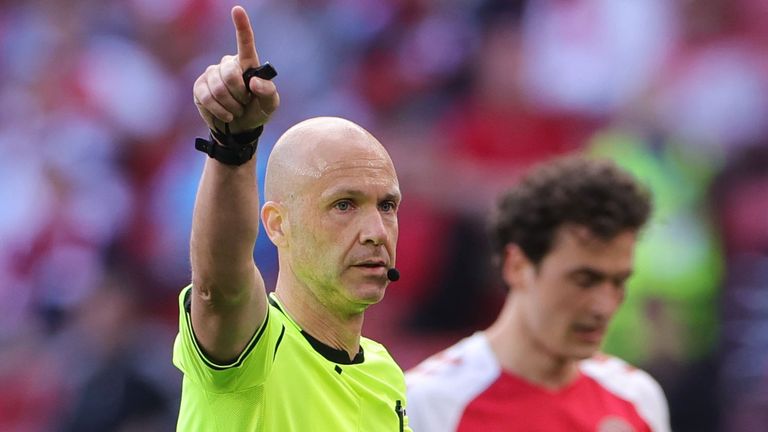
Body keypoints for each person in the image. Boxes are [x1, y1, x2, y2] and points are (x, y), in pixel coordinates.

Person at [172, 6, 411, 431]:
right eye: (344, 205)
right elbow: (218, 290)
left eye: (387, 206)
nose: (376, 232)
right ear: (278, 224)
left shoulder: (385, 374)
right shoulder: (252, 348)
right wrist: (234, 146)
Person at [406, 157, 671, 432]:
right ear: (517, 267)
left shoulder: (637, 398)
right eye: (583, 280)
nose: (603, 307)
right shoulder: (427, 404)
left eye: (618, 282)